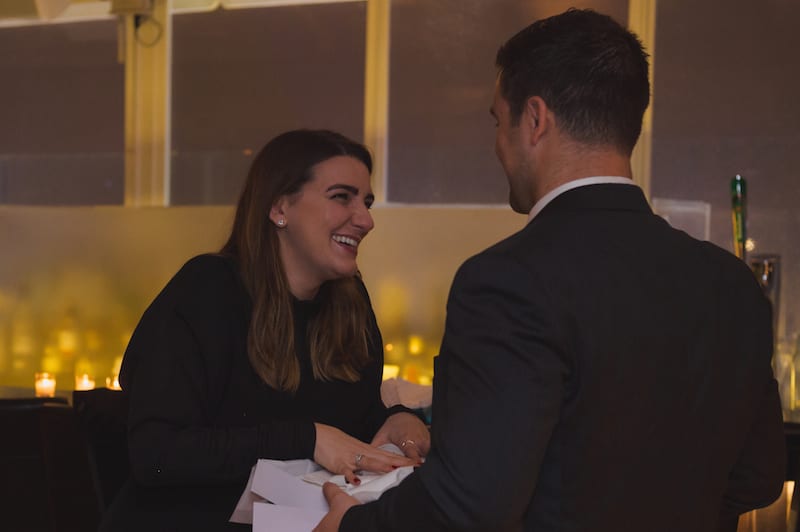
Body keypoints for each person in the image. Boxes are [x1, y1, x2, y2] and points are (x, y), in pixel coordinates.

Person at [315, 8, 785, 532]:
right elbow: (759, 477)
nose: (497, 145)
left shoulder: (508, 281)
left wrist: (349, 526)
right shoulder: (732, 286)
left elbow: (471, 503)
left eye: (498, 120)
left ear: (535, 120)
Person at [101, 129, 430, 530]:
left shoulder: (349, 304)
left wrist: (394, 418)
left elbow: (345, 426)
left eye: (366, 201)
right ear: (279, 207)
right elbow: (156, 455)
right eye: (341, 197)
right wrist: (306, 439)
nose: (365, 219)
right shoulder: (208, 290)